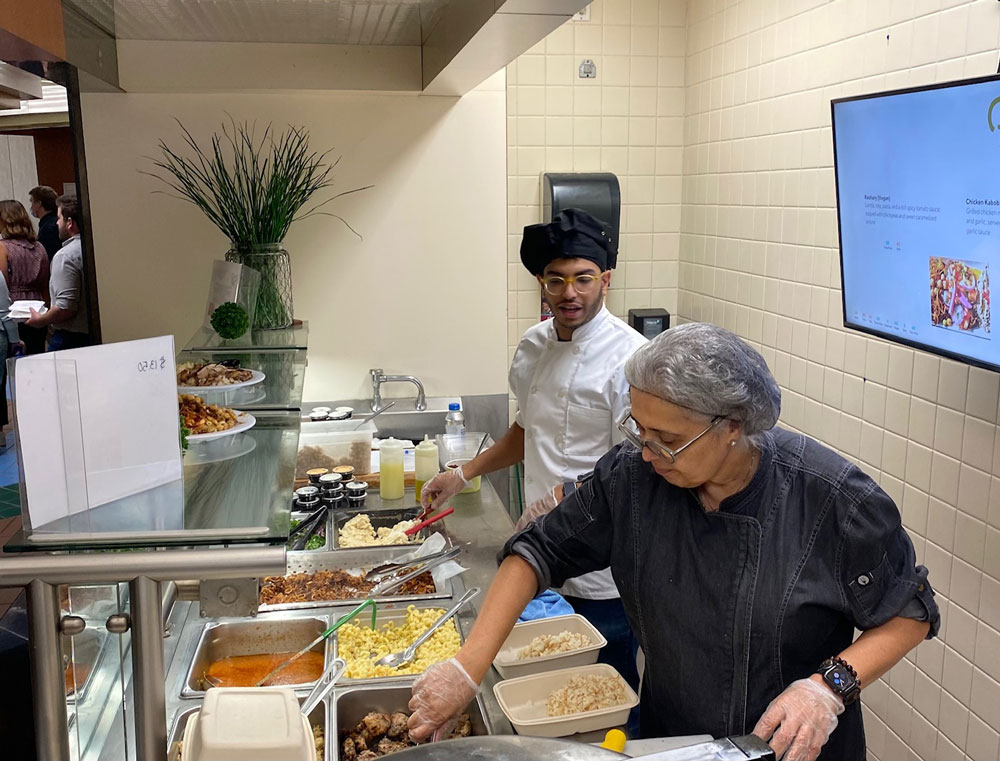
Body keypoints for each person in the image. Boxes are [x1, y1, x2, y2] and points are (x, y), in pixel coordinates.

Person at [409, 323, 939, 761]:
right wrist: (466, 667)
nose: (647, 453)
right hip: (674, 742)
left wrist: (827, 688)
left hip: (796, 746)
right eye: (639, 430)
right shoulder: (632, 481)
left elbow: (910, 611)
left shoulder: (833, 499)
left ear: (733, 426)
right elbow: (537, 552)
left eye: (667, 440)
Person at [420, 207, 647, 696]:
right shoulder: (532, 347)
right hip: (540, 557)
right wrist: (463, 474)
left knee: (607, 694)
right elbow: (528, 429)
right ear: (541, 283)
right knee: (546, 692)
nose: (569, 293)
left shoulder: (631, 358)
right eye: (556, 280)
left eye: (583, 279)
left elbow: (638, 467)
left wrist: (569, 497)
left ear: (605, 279)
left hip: (602, 569)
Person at [25, 195, 90, 350]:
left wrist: (40, 320)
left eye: (59, 217)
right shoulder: (96, 249)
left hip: (70, 338)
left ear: (69, 223)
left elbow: (64, 308)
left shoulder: (65, 256)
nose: (56, 222)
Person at [0, 200, 50, 355]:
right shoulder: (38, 247)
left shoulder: (2, 248)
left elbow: (3, 288)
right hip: (37, 311)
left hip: (12, 314)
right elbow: (45, 284)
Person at [28, 185, 60, 261]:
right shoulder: (57, 221)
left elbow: (45, 257)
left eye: (32, 202)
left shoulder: (47, 228)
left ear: (39, 204)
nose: (31, 207)